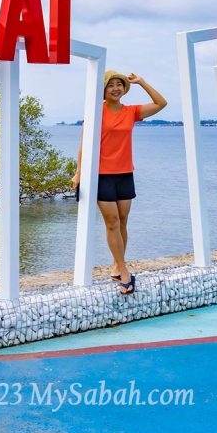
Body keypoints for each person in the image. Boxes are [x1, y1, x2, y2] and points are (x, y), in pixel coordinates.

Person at [72, 70, 168, 294]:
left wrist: (142, 82)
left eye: (119, 84)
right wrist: (78, 173)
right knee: (112, 222)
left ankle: (117, 265)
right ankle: (124, 271)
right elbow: (84, 145)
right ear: (103, 90)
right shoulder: (95, 112)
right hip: (100, 174)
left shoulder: (131, 112)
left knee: (123, 221)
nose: (115, 88)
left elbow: (161, 103)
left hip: (125, 173)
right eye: (110, 85)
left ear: (124, 89)